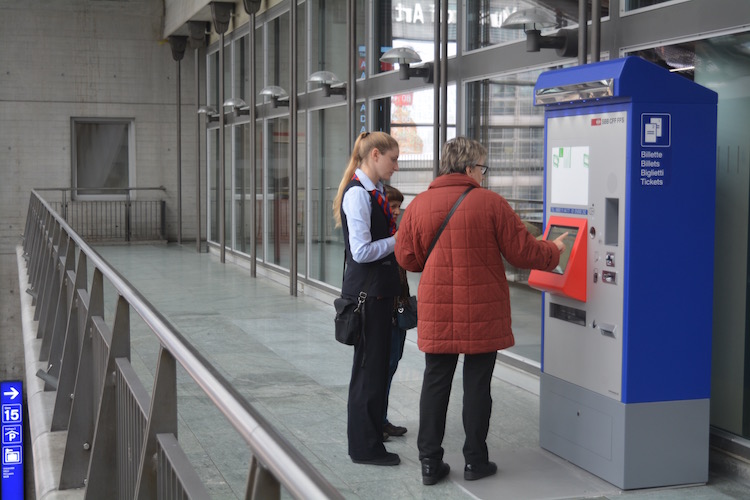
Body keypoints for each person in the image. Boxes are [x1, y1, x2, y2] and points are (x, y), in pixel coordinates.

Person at [394, 136, 568, 485]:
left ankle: (429, 463)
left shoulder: (419, 205)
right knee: (477, 385)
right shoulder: (491, 203)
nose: (483, 175)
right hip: (482, 309)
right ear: (471, 167)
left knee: (435, 382)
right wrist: (554, 250)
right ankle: (476, 461)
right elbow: (522, 252)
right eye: (482, 168)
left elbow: (407, 259)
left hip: (438, 307)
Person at [333, 131, 401, 466]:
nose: (396, 166)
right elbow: (360, 251)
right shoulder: (358, 195)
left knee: (374, 372)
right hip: (367, 298)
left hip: (377, 295)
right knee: (367, 374)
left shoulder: (373, 192)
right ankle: (364, 448)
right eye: (393, 159)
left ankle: (372, 440)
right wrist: (397, 240)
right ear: (375, 155)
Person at [382, 184, 409, 441]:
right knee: (385, 366)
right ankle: (377, 420)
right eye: (393, 207)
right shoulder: (384, 238)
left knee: (392, 363)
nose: (397, 211)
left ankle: (382, 418)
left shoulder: (396, 233)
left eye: (399, 206)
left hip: (397, 309)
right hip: (385, 312)